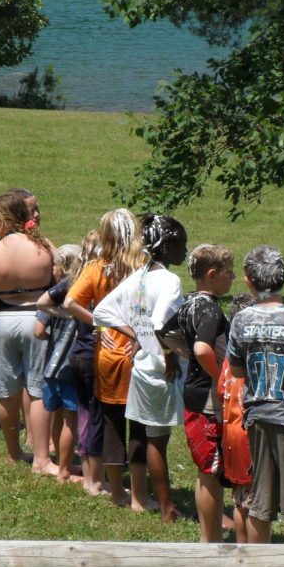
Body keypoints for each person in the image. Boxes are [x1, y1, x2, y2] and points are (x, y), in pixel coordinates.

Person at [93, 214, 188, 523]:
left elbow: (103, 310)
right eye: (181, 245)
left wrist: (138, 336)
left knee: (152, 437)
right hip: (162, 368)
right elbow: (161, 323)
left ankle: (162, 504)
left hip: (142, 367)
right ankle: (167, 508)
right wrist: (166, 350)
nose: (185, 252)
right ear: (168, 245)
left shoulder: (138, 277)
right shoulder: (170, 280)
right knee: (158, 442)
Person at [226, 245, 284, 545]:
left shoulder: (241, 320)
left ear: (248, 280)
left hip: (258, 417)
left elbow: (236, 370)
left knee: (259, 499)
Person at [64, 209, 149, 509]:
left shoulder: (95, 268)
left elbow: (71, 302)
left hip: (109, 353)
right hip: (140, 351)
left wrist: (100, 325)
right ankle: (141, 496)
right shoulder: (144, 267)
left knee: (112, 425)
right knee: (140, 424)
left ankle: (117, 493)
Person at [0, 189, 58, 475]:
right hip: (38, 321)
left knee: (6, 391)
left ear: (2, 218)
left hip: (4, 322)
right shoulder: (45, 246)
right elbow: (61, 285)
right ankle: (42, 458)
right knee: (37, 390)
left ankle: (14, 453)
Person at [169, 243, 235, 541]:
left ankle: (208, 538)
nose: (232, 277)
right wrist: (221, 376)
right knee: (212, 473)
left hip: (192, 394)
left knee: (205, 471)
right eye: (228, 272)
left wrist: (190, 359)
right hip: (210, 400)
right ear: (213, 274)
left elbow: (165, 335)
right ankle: (212, 542)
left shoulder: (187, 303)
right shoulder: (209, 309)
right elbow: (201, 346)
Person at [47, 229, 108, 496]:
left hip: (75, 355)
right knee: (90, 416)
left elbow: (42, 301)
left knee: (80, 416)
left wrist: (70, 314)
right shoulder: (99, 276)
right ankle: (86, 476)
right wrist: (85, 317)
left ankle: (83, 473)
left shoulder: (75, 277)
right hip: (93, 353)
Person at [34, 244, 83, 484]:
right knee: (70, 420)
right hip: (71, 366)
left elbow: (38, 330)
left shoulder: (54, 293)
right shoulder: (83, 293)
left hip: (51, 366)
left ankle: (59, 459)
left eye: (54, 264)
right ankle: (65, 468)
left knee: (56, 415)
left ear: (62, 267)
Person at [217, 293, 256, 544]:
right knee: (253, 502)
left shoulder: (230, 358)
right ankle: (255, 551)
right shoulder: (252, 360)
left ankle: (242, 547)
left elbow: (221, 389)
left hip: (230, 435)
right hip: (248, 437)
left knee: (240, 498)